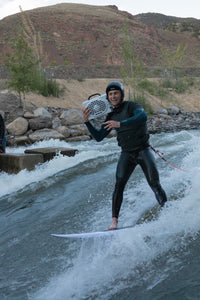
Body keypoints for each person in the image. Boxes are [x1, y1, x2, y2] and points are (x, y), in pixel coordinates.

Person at [82, 81, 167, 230]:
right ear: (107, 97)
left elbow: (142, 117)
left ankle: (167, 212)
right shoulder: (111, 115)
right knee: (119, 186)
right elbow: (99, 136)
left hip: (143, 150)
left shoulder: (132, 106)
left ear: (121, 94)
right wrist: (87, 122)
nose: (113, 96)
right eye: (110, 94)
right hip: (127, 154)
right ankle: (114, 222)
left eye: (116, 93)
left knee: (154, 182)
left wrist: (120, 124)